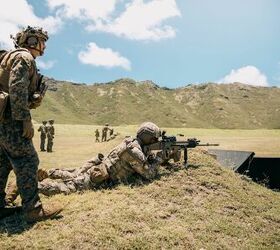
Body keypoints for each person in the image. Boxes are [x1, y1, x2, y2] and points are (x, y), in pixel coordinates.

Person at [0, 26, 63, 222]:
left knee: (2, 163)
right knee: (27, 160)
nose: (44, 46)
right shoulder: (24, 57)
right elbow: (17, 87)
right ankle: (33, 210)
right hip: (11, 120)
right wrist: (25, 120)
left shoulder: (9, 57)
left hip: (2, 119)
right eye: (42, 41)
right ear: (33, 41)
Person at [6, 122, 164, 197]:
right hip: (98, 179)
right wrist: (161, 158)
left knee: (74, 175)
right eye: (154, 139)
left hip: (97, 169)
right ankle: (26, 185)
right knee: (65, 188)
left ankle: (49, 172)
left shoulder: (130, 141)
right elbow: (149, 174)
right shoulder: (134, 151)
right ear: (149, 139)